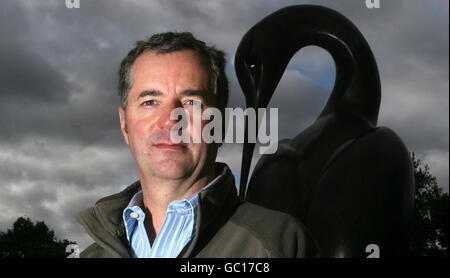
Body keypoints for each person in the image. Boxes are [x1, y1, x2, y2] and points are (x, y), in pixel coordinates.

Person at [76, 32, 318, 258]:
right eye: (150, 102)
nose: (171, 119)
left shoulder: (279, 245)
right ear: (124, 124)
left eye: (192, 102)